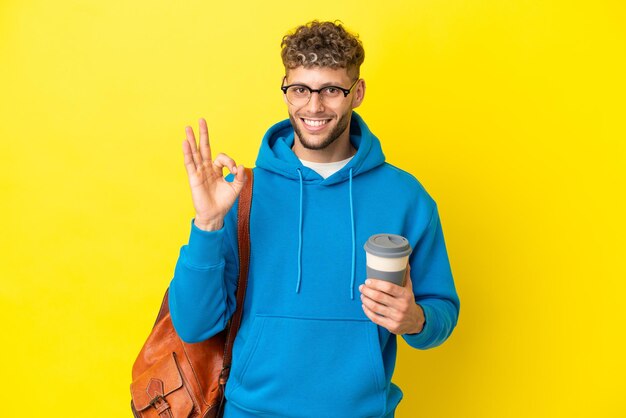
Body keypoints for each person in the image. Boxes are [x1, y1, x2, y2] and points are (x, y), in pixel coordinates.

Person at [169, 20, 460, 418]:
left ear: (357, 93)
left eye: (331, 90)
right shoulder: (241, 194)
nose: (314, 106)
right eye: (300, 89)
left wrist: (415, 319)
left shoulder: (405, 197)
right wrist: (206, 222)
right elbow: (194, 325)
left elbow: (442, 311)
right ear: (286, 89)